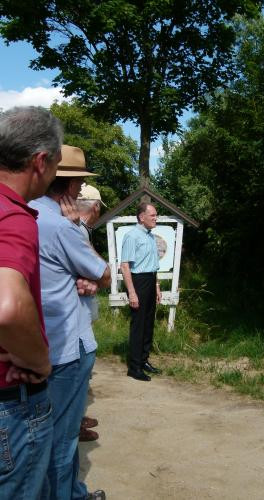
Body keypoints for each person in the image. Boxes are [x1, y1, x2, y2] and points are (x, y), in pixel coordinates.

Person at [30, 145, 110, 500]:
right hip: (68, 347)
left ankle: (73, 493)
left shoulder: (24, 214)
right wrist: (78, 230)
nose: (79, 190)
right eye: (79, 182)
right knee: (61, 439)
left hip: (32, 342)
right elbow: (104, 274)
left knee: (40, 433)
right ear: (69, 183)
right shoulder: (62, 226)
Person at [0, 106, 62, 498]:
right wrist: (38, 359)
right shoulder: (14, 217)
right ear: (40, 162)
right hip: (10, 406)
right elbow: (6, 306)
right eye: (56, 164)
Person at [76, 184, 107, 442]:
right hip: (75, 316)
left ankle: (75, 417)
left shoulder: (79, 229)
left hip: (80, 312)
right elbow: (101, 272)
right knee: (79, 367)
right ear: (95, 208)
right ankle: (73, 421)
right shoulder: (77, 231)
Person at [121, 203, 162, 381]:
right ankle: (134, 367)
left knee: (148, 324)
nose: (155, 218)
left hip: (150, 280)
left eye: (156, 215)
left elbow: (153, 265)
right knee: (138, 325)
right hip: (138, 282)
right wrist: (132, 292)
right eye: (152, 215)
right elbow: (125, 266)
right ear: (141, 217)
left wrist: (157, 286)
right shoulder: (132, 236)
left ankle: (144, 360)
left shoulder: (151, 237)